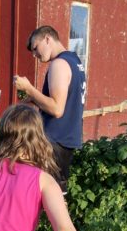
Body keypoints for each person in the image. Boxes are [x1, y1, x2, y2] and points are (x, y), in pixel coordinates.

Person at [13, 25, 87, 193]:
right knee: (57, 196)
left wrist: (28, 88)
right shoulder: (74, 61)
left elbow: (56, 109)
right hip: (66, 140)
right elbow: (65, 102)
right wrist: (34, 99)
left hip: (54, 140)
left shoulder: (59, 64)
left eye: (35, 48)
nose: (34, 55)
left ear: (47, 38)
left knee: (40, 195)